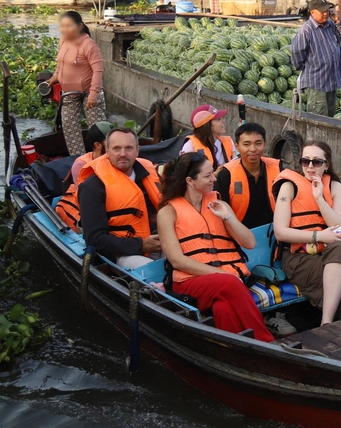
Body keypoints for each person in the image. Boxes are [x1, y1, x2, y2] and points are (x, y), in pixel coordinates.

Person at [157, 152, 275, 343]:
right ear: (190, 181)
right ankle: (267, 342)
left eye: (213, 173)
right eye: (207, 175)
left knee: (223, 307)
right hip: (189, 283)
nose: (214, 178)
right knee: (230, 284)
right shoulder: (168, 212)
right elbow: (177, 260)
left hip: (223, 283)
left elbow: (250, 243)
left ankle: (234, 349)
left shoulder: (218, 204)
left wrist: (227, 216)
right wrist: (222, 275)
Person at [272, 141, 341, 325]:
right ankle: (339, 324)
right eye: (305, 161)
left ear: (326, 165)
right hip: (298, 258)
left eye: (316, 162)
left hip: (330, 252)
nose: (310, 166)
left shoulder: (334, 186)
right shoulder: (289, 186)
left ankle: (327, 322)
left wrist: (320, 199)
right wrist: (319, 236)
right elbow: (280, 232)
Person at [77, 127, 163, 269]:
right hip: (121, 253)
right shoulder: (92, 187)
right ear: (107, 151)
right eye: (116, 148)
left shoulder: (149, 175)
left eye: (128, 148)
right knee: (154, 271)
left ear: (137, 150)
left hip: (160, 242)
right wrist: (140, 245)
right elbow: (95, 239)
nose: (123, 154)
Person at [46, 11, 107, 157]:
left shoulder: (89, 45)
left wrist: (93, 94)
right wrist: (55, 76)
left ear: (79, 26)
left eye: (69, 26)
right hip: (70, 92)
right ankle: (78, 160)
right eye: (63, 26)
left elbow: (98, 70)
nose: (65, 29)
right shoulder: (63, 40)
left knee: (98, 129)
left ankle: (103, 158)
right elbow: (61, 63)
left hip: (90, 92)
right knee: (69, 127)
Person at [290, 0, 341, 117]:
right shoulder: (306, 30)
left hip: (331, 81)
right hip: (317, 84)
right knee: (318, 120)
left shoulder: (331, 25)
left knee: (330, 119)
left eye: (327, 10)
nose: (326, 13)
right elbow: (296, 54)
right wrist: (309, 69)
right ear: (312, 12)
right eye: (322, 11)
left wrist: (338, 20)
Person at [214, 122, 280, 229]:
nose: (253, 149)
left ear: (265, 144)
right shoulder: (226, 174)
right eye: (246, 144)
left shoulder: (279, 170)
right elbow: (221, 212)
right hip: (238, 233)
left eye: (258, 143)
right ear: (237, 147)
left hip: (274, 232)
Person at [55, 121, 114, 231]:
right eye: (111, 141)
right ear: (98, 145)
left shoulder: (117, 159)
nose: (116, 144)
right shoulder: (81, 165)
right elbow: (87, 200)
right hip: (91, 207)